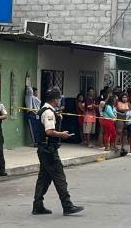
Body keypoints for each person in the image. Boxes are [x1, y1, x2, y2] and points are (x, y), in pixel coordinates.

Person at [32, 88, 84, 216]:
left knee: (44, 179)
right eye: (59, 99)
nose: (59, 101)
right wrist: (62, 135)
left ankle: (38, 205)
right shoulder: (48, 112)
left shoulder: (43, 110)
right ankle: (67, 205)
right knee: (60, 177)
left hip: (44, 149)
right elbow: (49, 132)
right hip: (49, 150)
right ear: (55, 99)